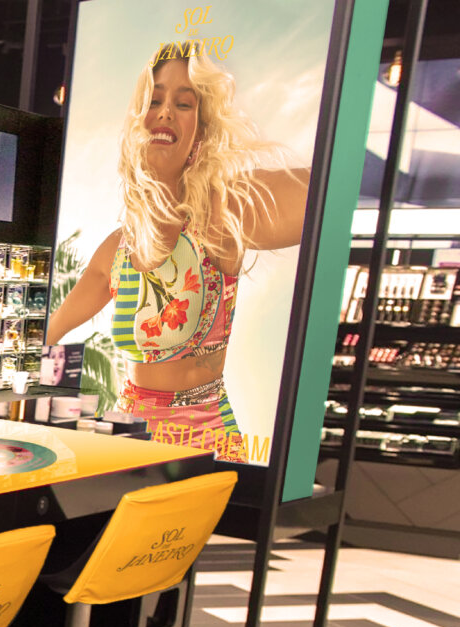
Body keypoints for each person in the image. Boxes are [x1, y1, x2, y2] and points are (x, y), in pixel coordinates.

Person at [45, 46, 310, 461]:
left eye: (183, 103)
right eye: (154, 100)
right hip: (127, 436)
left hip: (205, 437)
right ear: (138, 123)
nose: (165, 111)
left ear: (201, 131)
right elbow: (60, 320)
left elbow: (322, 194)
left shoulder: (222, 215)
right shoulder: (120, 246)